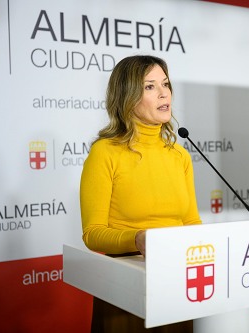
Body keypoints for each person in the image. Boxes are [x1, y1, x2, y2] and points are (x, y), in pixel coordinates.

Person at [80, 55, 201, 333]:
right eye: (150, 87)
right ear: (127, 97)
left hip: (177, 283)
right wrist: (137, 239)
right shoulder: (105, 152)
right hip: (126, 288)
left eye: (166, 84)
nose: (163, 93)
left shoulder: (180, 155)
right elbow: (92, 233)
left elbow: (191, 223)